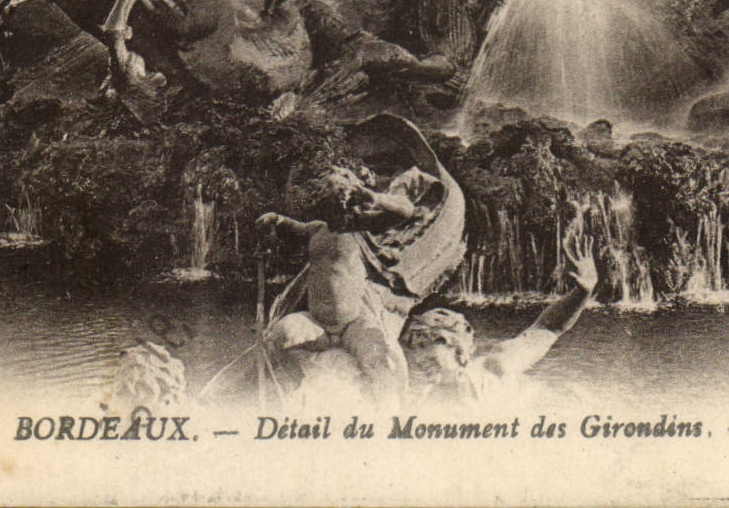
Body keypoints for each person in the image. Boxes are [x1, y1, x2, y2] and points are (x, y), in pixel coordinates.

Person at [256, 166, 442, 407]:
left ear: (349, 203)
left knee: (379, 360)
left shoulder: (364, 228)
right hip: (316, 323)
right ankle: (296, 386)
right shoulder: (317, 229)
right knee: (273, 340)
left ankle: (389, 414)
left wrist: (374, 197)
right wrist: (277, 219)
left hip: (353, 324)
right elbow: (295, 228)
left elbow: (406, 211)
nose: (335, 210)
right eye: (330, 203)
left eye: (340, 203)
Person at [399, 227, 597, 406]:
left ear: (457, 350)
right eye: (416, 352)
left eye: (426, 351)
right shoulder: (426, 404)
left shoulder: (498, 366)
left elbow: (547, 327)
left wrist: (582, 293)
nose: (419, 360)